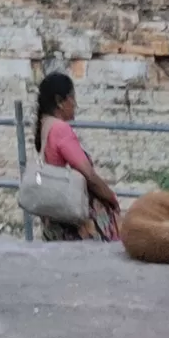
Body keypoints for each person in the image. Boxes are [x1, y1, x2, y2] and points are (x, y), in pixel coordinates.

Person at [33, 71, 120, 242]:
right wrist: (111, 198)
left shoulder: (45, 125)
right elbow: (88, 175)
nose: (75, 104)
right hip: (72, 217)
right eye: (72, 98)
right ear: (60, 101)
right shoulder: (60, 129)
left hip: (54, 213)